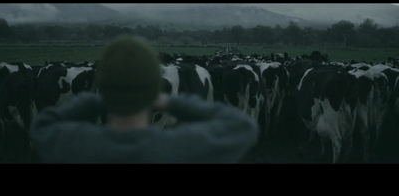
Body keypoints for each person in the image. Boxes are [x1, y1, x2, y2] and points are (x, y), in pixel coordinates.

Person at [29, 35, 259, 163]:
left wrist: (98, 100)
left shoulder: (78, 146)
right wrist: (169, 102)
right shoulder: (181, 147)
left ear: (102, 86)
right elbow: (243, 126)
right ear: (155, 87)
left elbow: (41, 124)